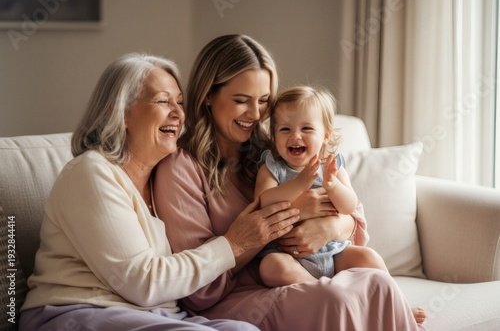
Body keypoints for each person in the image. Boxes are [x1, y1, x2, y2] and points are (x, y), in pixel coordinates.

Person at [154, 34, 428, 330]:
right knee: (335, 301)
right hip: (243, 295)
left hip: (315, 269)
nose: (256, 114)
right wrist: (257, 232)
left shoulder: (274, 148)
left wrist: (334, 226)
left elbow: (353, 216)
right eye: (241, 101)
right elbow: (198, 290)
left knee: (379, 283)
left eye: (263, 101)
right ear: (208, 95)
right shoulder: (180, 168)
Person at [18, 53, 300, 331]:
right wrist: (234, 243)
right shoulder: (91, 173)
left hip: (156, 315)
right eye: (163, 101)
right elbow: (142, 282)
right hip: (77, 311)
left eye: (179, 101)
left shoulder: (161, 177)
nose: (178, 113)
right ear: (120, 112)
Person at [255, 85, 389, 287]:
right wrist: (299, 184)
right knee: (270, 267)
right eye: (285, 129)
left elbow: (349, 207)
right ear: (274, 136)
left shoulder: (332, 165)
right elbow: (263, 202)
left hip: (333, 252)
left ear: (325, 134)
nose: (295, 136)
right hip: (288, 256)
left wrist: (333, 185)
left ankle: (398, 304)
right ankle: (326, 292)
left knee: (369, 257)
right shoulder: (272, 167)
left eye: (306, 128)